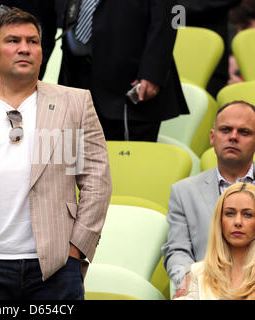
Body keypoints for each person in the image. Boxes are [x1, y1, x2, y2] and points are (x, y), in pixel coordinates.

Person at [0, 8, 111, 300]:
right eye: (13, 40)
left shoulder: (76, 102)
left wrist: (76, 247)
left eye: (33, 41)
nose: (24, 48)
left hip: (55, 266)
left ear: (42, 50)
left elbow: (97, 180)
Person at [57, 0, 188, 142]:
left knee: (129, 160)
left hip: (129, 82)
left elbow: (168, 18)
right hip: (77, 75)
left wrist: (153, 73)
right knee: (81, 158)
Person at [162, 100, 255, 298]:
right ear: (213, 137)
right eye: (225, 130)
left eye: (244, 132)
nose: (233, 137)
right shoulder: (184, 191)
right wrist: (189, 280)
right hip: (207, 289)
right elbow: (177, 249)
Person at [178, 182, 255, 300]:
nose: (238, 222)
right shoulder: (199, 272)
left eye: (247, 215)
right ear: (219, 220)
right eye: (230, 213)